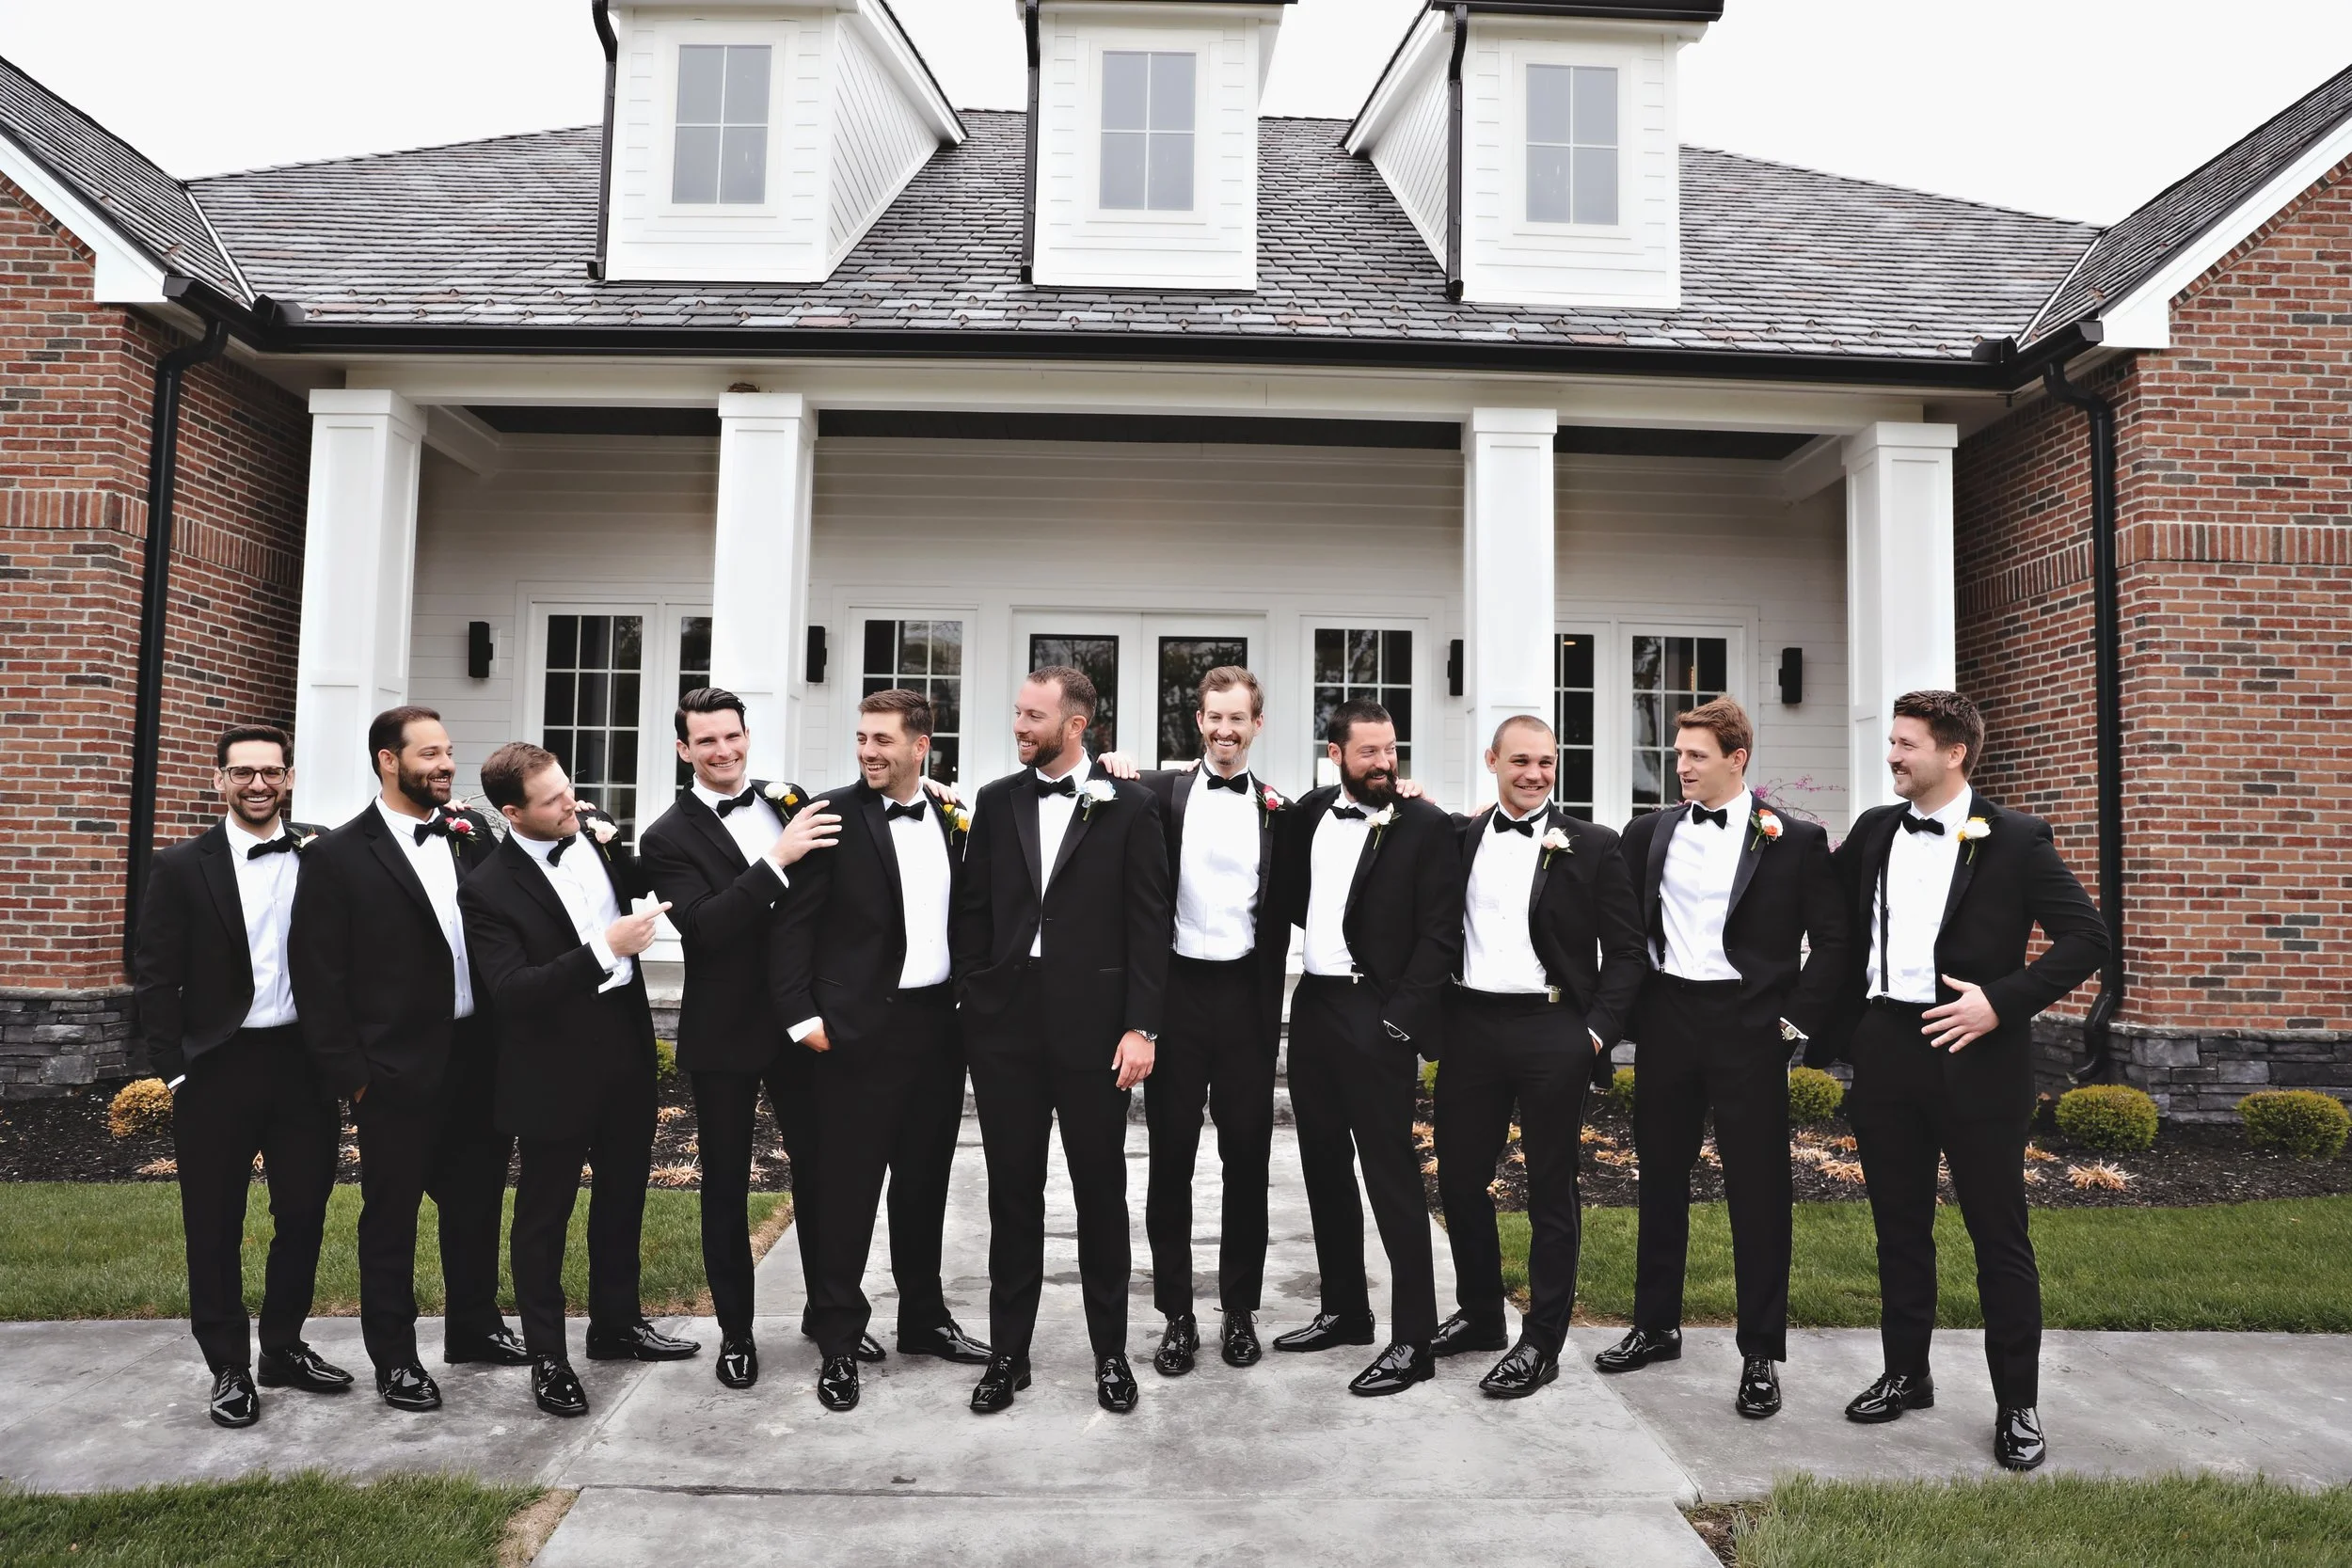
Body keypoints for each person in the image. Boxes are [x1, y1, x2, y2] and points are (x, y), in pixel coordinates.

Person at [1813, 689, 2106, 1471]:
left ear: (1954, 752)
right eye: (1894, 742)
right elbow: (1814, 894)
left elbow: (2087, 937)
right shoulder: (1877, 828)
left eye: (1906, 744)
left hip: (1977, 1057)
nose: (1893, 755)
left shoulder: (2014, 839)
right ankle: (1906, 1374)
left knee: (1997, 1234)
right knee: (1898, 1227)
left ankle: (2018, 1405)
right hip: (1886, 1051)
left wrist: (1998, 1005)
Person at [1600, 697, 1847, 1420]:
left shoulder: (1795, 840)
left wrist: (1794, 1020)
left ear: (1737, 759)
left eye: (1695, 756)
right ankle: (1655, 1324)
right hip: (1669, 1021)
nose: (1680, 766)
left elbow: (1834, 941)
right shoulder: (1646, 832)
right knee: (1660, 1180)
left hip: (1749, 1027)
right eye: (1678, 754)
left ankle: (1761, 1352)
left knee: (1759, 1193)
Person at [290, 706, 527, 1412]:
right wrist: (355, 1078)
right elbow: (318, 975)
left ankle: (475, 1325)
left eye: (448, 751)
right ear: (387, 761)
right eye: (429, 754)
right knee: (389, 1217)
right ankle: (393, 1356)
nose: (445, 765)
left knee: (479, 1199)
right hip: (393, 1071)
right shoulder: (336, 855)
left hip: (476, 1054)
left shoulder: (469, 833)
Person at [951, 665, 1169, 1415]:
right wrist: (978, 1003)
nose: (1019, 726)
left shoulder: (1130, 806)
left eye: (1033, 716)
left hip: (1097, 1032)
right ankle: (1008, 1353)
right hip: (1007, 1030)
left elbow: (1150, 924)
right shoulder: (996, 799)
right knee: (1014, 1195)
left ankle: (1111, 1355)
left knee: (1099, 1193)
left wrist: (1142, 1025)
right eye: (1018, 712)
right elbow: (972, 910)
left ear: (1075, 726)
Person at [459, 743, 698, 1419]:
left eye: (570, 789)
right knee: (544, 1217)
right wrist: (605, 948)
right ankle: (548, 1357)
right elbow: (511, 991)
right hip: (549, 1069)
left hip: (624, 1053)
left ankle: (616, 1325)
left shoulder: (589, 836)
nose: (574, 803)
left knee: (623, 1199)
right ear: (512, 813)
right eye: (554, 799)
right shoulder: (486, 888)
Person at [771, 689, 993, 1414]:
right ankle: (838, 1340)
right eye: (862, 738)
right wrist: (802, 1017)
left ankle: (924, 1319)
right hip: (853, 1031)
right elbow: (792, 929)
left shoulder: (957, 820)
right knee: (845, 1192)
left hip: (937, 1028)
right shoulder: (831, 817)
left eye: (883, 740)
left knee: (923, 1183)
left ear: (921, 745)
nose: (868, 751)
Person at [133, 723, 348, 1427]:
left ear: (289, 777)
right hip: (216, 1068)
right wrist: (175, 1071)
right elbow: (156, 976)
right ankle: (227, 1364)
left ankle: (282, 1346)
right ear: (219, 778)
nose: (259, 784)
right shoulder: (178, 865)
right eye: (243, 772)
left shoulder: (324, 852)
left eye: (271, 772)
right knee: (214, 1222)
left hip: (303, 1065)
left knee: (304, 1213)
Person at [1433, 715, 1646, 1398]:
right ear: (1492, 759)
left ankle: (1543, 1340)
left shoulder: (1592, 844)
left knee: (1551, 1186)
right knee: (1461, 1177)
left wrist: (1595, 1032)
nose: (1535, 774)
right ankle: (1480, 1312)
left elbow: (1627, 950)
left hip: (1552, 1027)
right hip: (1470, 1026)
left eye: (1547, 763)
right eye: (1521, 760)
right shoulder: (1459, 837)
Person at [637, 688, 843, 1390]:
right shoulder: (665, 835)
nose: (724, 750)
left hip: (803, 1021)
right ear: (683, 749)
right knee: (723, 1184)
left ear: (746, 735)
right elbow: (706, 924)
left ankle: (830, 1315)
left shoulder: (790, 801)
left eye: (733, 736)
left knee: (822, 1172)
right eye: (708, 741)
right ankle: (736, 1331)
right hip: (723, 1029)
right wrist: (775, 861)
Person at [1270, 699, 1463, 1396]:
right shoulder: (1307, 814)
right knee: (1323, 1165)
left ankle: (1413, 1339)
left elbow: (1441, 932)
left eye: (1391, 750)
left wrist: (1399, 1019)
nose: (1385, 763)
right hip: (1314, 1006)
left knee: (1390, 1175)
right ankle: (1346, 1309)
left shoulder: (1425, 824)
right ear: (1335, 754)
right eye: (1369, 752)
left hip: (1375, 1012)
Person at [1104, 668, 1288, 1377]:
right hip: (1174, 998)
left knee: (1247, 1163)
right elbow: (1080, 788)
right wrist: (1110, 763)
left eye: (1237, 718)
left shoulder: (1279, 808)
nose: (1224, 730)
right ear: (1200, 722)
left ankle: (1239, 1310)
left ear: (1256, 725)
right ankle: (1176, 1314)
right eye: (1214, 717)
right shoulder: (1159, 791)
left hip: (1245, 999)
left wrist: (1411, 793)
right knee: (1171, 1164)